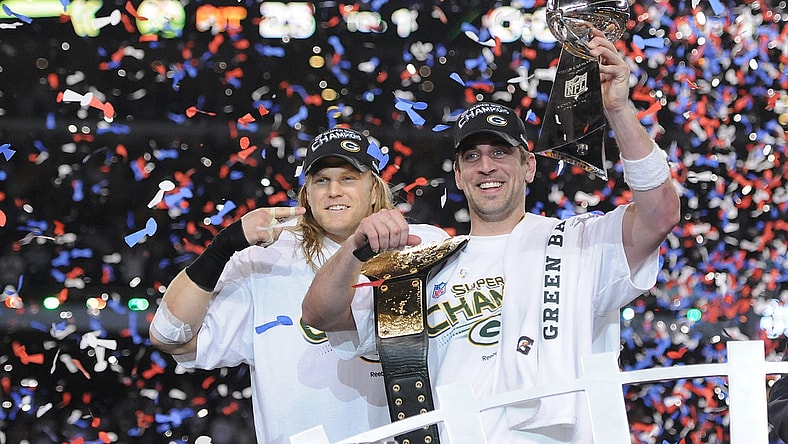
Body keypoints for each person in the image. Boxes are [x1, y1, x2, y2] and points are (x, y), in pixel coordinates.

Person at [301, 29, 681, 443]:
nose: (486, 166)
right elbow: (320, 315)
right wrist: (356, 249)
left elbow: (660, 213)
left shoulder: (581, 244)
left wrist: (620, 110)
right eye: (472, 157)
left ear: (529, 167)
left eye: (500, 152)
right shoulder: (424, 266)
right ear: (459, 177)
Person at [148, 127, 449, 444]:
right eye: (321, 180)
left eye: (348, 178)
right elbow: (169, 337)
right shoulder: (265, 261)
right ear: (306, 192)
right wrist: (222, 247)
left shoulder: (422, 244)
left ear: (374, 190)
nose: (334, 190)